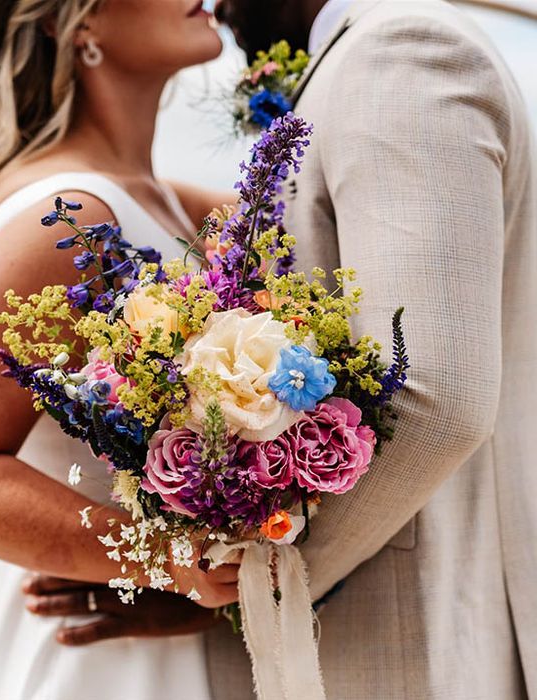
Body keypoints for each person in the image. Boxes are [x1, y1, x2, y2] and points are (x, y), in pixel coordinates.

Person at [28, 1, 537, 698]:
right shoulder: (359, 67)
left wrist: (241, 582)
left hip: (408, 642)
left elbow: (435, 398)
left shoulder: (401, 57)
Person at [0, 1, 242, 698]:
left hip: (158, 637)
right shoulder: (68, 217)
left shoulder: (174, 206)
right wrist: (173, 561)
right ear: (73, 22)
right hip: (81, 659)